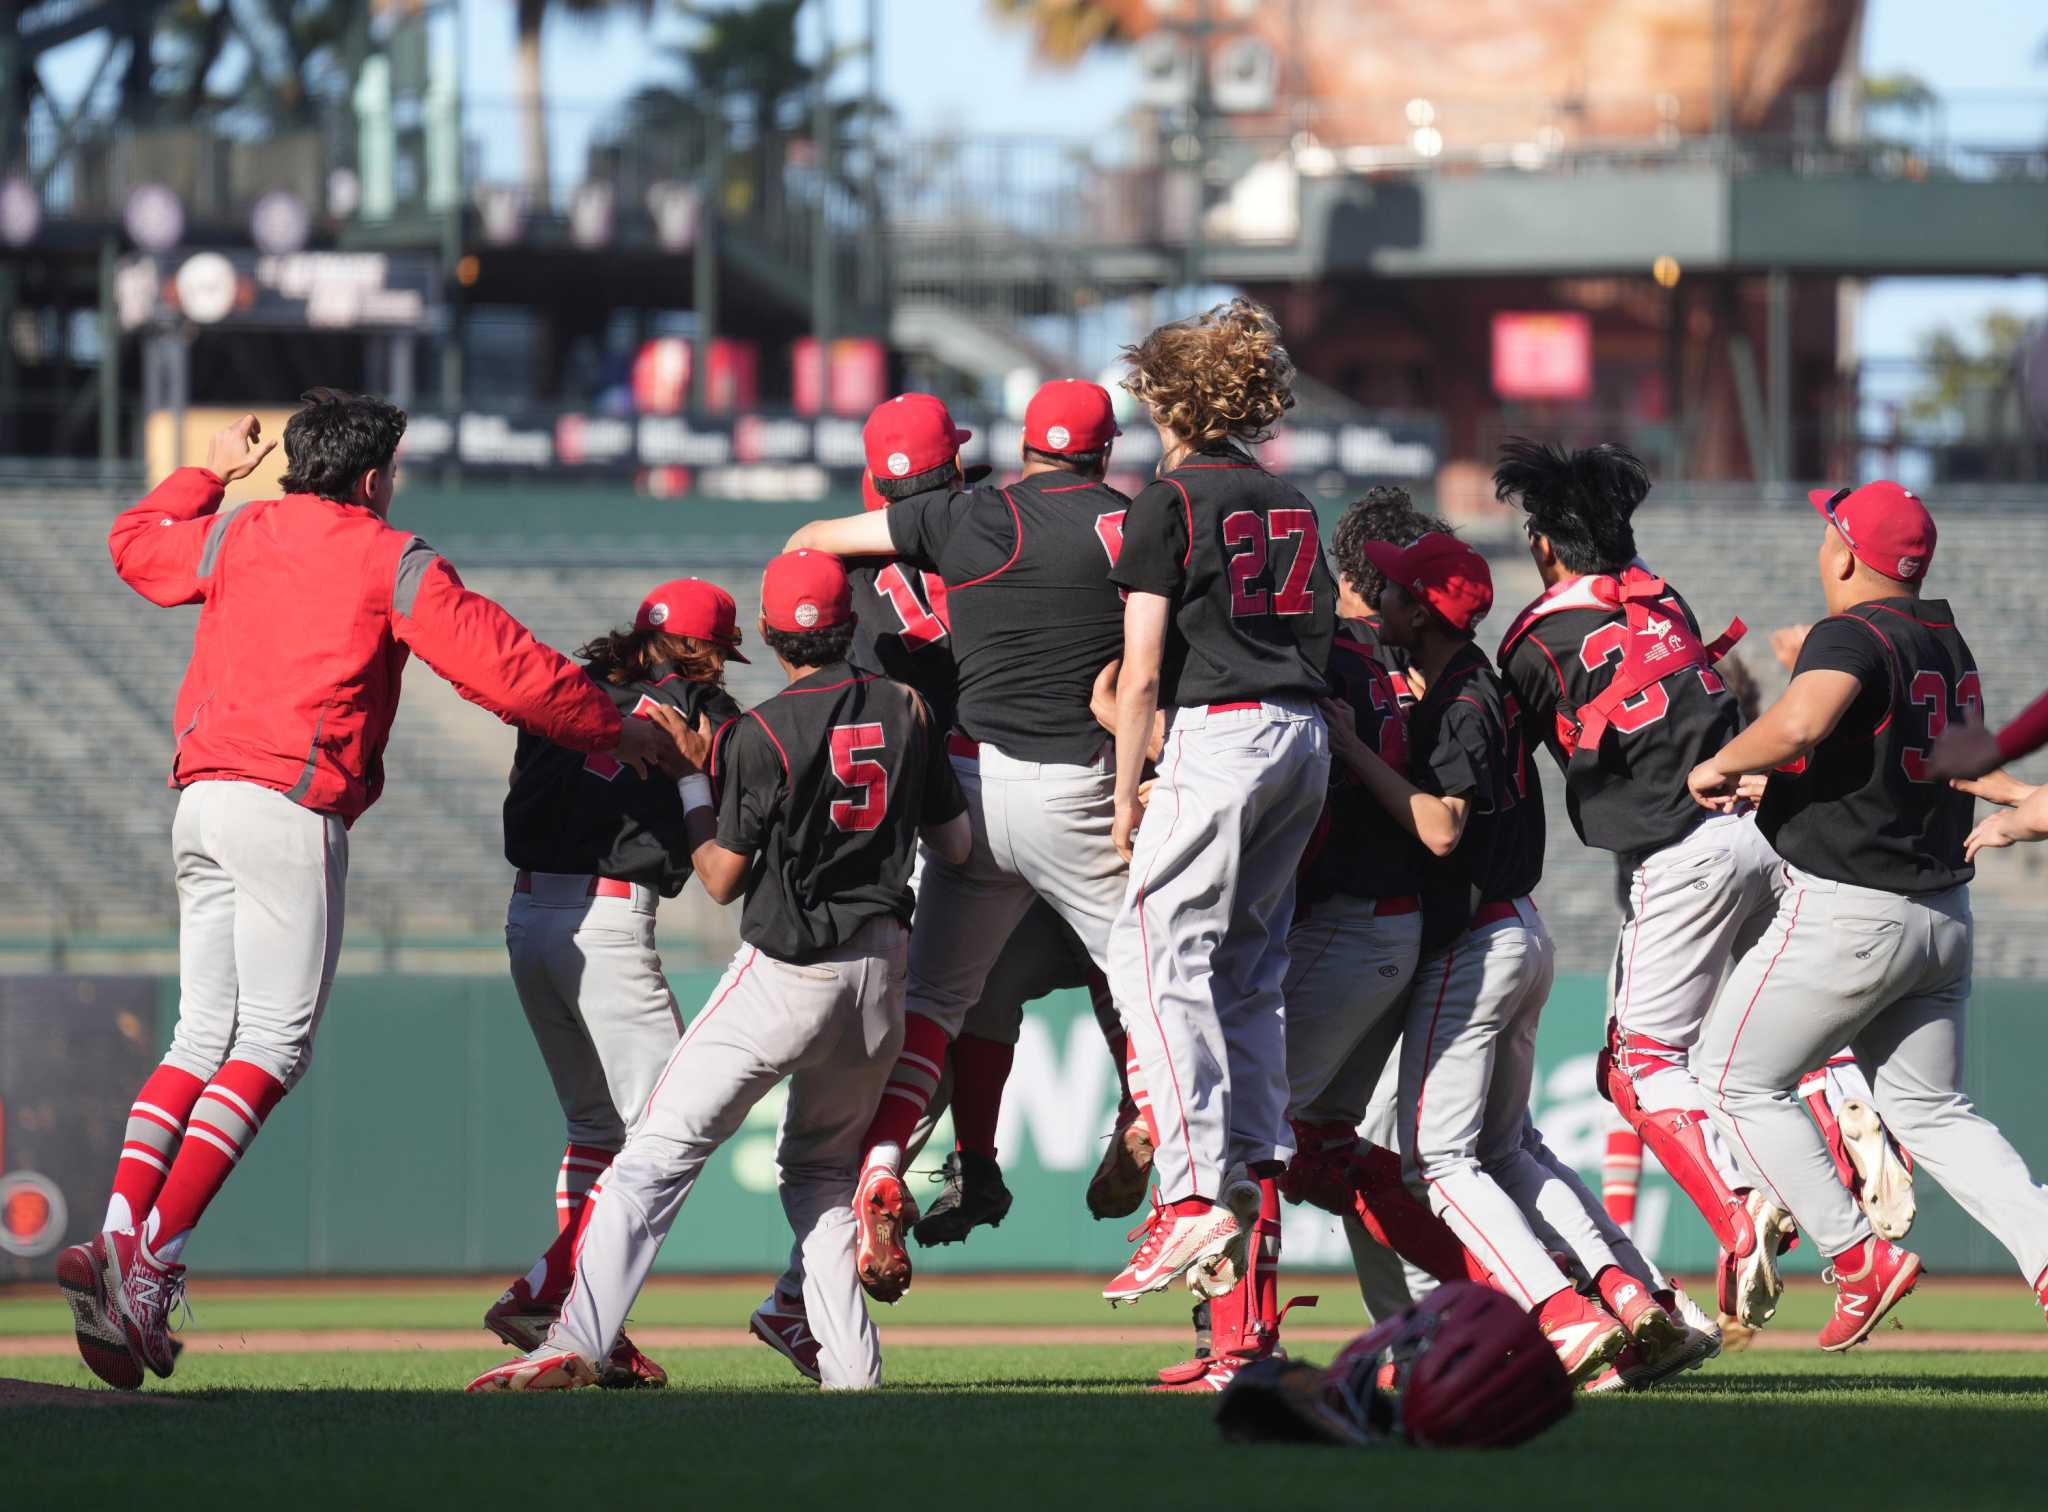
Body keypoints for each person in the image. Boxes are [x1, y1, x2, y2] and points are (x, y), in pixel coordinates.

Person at [58, 396, 661, 1392]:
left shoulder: (240, 531)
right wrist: (610, 724)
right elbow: (502, 668)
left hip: (199, 799)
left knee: (199, 1036)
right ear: (376, 478)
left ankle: (120, 1228)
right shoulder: (387, 554)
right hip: (287, 804)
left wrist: (206, 472)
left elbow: (137, 547)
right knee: (272, 1046)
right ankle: (152, 1257)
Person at [466, 550, 971, 1393]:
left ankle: (577, 1334)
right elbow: (953, 847)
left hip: (784, 973)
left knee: (647, 1156)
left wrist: (702, 776)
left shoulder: (758, 730)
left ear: (774, 637)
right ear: (849, 625)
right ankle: (852, 1372)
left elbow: (722, 877)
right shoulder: (910, 708)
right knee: (819, 1175)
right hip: (881, 974)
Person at [785, 380, 1134, 1300]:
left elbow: (813, 577)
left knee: (944, 1010)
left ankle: (900, 1172)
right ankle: (1138, 1133)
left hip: (946, 806)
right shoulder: (1000, 519)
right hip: (1068, 781)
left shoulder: (877, 564)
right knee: (1133, 975)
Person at [1690, 480, 2048, 1348]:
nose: (1822, 550)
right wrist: (1773, 780)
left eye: (1827, 535)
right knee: (1933, 1113)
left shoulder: (1851, 631)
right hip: (1941, 915)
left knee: (1731, 1078)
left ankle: (1857, 1260)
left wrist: (1721, 763)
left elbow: (1805, 721)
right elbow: (1919, 759)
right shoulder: (1943, 637)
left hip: (1853, 914)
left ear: (1847, 553)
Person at [1339, 530, 1667, 1386]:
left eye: (1397, 594)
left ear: (1422, 611)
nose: (1382, 605)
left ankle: (1561, 1317)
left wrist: (1353, 747)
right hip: (1522, 929)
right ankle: (1639, 1298)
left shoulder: (1458, 699)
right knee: (1510, 1150)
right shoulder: (1481, 683)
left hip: (1474, 938)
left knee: (1437, 1163)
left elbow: (1442, 828)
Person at [1489, 438, 1799, 1335]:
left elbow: (1504, 757)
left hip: (1681, 854)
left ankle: (1740, 1206)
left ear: (1546, 544)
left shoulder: (1533, 638)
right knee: (1724, 1053)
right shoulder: (1662, 593)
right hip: (1761, 833)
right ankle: (1820, 1115)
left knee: (1636, 1068)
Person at [1103, 298, 1336, 1304]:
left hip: (1224, 732)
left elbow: (1142, 669)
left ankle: (1192, 1192)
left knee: (1146, 952)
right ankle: (1247, 1155)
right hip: (1302, 736)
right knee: (1243, 964)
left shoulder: (1169, 496)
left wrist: (1125, 794)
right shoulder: (1287, 499)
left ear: (1173, 399)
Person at [482, 578, 747, 1388]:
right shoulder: (700, 707)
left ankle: (593, 1319)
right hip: (607, 921)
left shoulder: (568, 685)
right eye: (715, 654)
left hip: (529, 918)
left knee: (596, 1129)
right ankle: (555, 1290)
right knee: (675, 1128)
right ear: (699, 649)